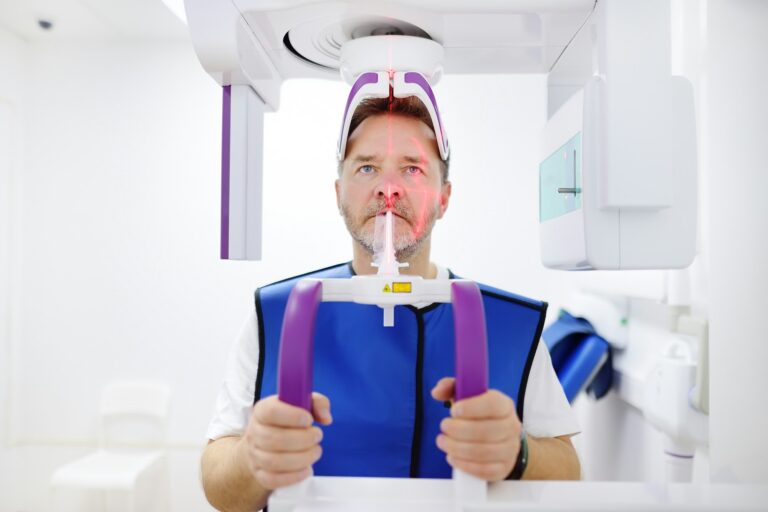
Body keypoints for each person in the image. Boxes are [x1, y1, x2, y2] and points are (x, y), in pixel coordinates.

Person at [201, 93, 581, 512]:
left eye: (412, 168)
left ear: (444, 197)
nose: (388, 189)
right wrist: (253, 456)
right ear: (339, 192)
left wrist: (517, 452)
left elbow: (569, 472)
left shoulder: (509, 325)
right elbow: (220, 487)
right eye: (367, 168)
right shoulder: (277, 315)